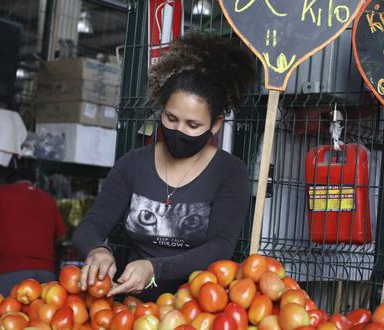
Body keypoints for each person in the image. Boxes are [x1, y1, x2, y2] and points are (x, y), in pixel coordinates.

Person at [72, 33, 255, 300]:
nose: (179, 130)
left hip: (196, 309)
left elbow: (220, 248)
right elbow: (91, 226)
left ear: (215, 125)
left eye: (193, 125)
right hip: (130, 308)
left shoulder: (229, 173)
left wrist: (154, 268)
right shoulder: (132, 164)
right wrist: (97, 250)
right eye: (171, 118)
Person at [0, 167, 66, 296]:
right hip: (47, 276)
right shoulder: (48, 199)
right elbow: (61, 236)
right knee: (43, 315)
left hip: (10, 271)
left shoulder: (1, 192)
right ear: (34, 183)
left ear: (9, 182)